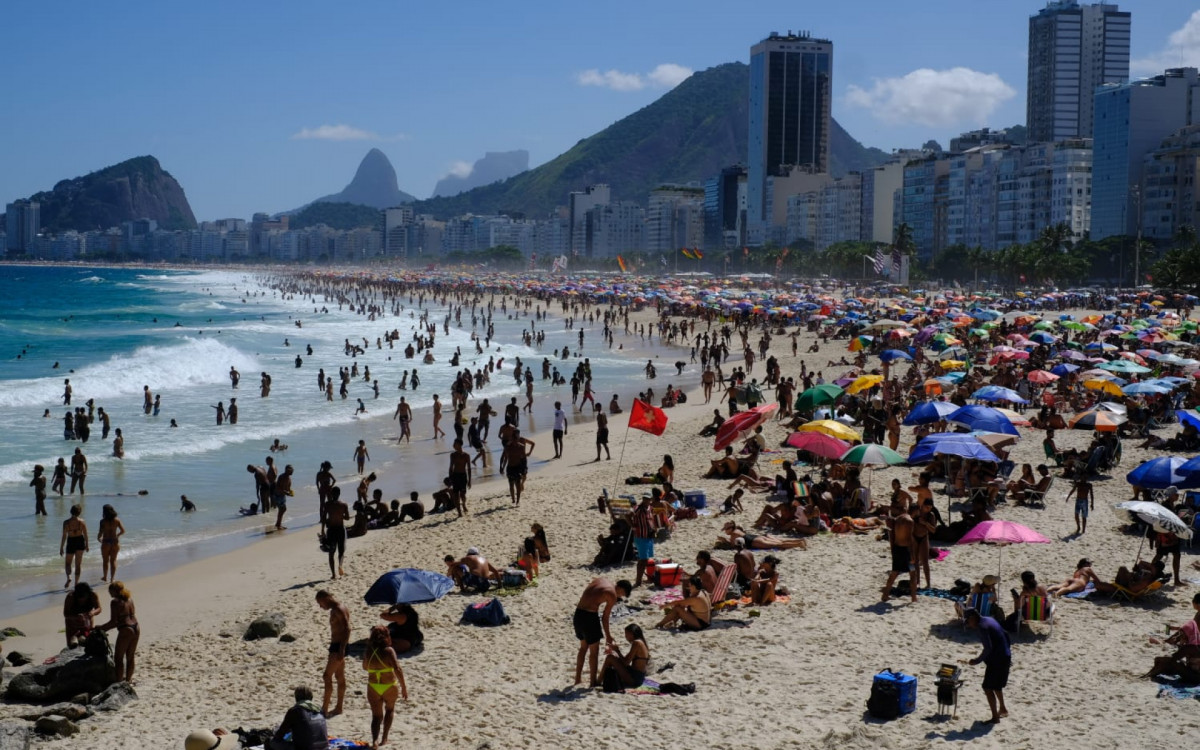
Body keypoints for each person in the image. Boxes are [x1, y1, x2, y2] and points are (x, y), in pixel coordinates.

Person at [574, 577, 632, 687]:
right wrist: (608, 636)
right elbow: (605, 618)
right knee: (594, 652)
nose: (619, 596)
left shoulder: (603, 580)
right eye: (621, 594)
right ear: (620, 588)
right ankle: (592, 682)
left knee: (583, 648)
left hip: (578, 614)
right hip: (589, 617)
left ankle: (577, 679)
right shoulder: (612, 595)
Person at [962, 607, 1011, 724]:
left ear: (973, 618)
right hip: (1005, 656)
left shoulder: (982, 627)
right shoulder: (989, 619)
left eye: (968, 621)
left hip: (998, 660)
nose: (969, 624)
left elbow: (988, 648)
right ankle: (1003, 709)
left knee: (987, 687)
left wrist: (977, 660)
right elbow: (1006, 634)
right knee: (996, 686)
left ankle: (995, 718)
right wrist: (1007, 651)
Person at [363, 625, 407, 748]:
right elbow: (397, 669)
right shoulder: (389, 650)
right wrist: (403, 687)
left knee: (376, 716)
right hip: (389, 686)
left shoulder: (368, 651)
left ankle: (375, 741)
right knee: (390, 710)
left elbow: (365, 667)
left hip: (373, 686)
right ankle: (384, 738)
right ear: (387, 636)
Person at [316, 590, 350, 717]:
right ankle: (338, 707)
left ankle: (324, 709)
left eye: (320, 603)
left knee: (326, 676)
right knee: (339, 676)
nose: (321, 606)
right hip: (338, 645)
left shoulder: (338, 609)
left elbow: (347, 628)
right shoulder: (340, 607)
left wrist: (341, 648)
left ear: (326, 598)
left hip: (338, 646)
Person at [97, 581, 139, 683]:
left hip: (126, 629)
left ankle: (119, 682)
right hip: (136, 627)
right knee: (130, 656)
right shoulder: (130, 599)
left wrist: (100, 628)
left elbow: (114, 622)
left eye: (110, 591)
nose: (109, 593)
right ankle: (128, 680)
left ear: (114, 591)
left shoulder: (115, 602)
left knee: (118, 658)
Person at [270, 685, 328, 750]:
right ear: (311, 697)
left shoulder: (295, 711)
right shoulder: (320, 710)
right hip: (324, 747)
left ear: (296, 698)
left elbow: (279, 735)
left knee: (272, 742)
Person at [881, 507, 916, 603]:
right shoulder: (910, 521)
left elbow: (892, 535)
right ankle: (914, 598)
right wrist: (912, 555)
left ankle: (885, 595)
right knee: (913, 574)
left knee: (894, 573)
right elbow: (909, 539)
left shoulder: (898, 519)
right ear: (916, 512)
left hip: (897, 548)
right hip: (906, 550)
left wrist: (892, 549)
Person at [599, 623, 649, 690]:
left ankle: (598, 681)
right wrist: (616, 652)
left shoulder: (636, 643)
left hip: (635, 678)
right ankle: (602, 680)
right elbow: (625, 660)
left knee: (610, 658)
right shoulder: (641, 642)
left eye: (626, 634)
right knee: (612, 657)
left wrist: (617, 651)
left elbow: (626, 663)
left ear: (632, 633)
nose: (626, 637)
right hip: (638, 676)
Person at [629, 495, 659, 587]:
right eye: (645, 499)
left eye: (648, 499)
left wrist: (654, 528)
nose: (646, 500)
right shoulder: (637, 509)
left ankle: (641, 579)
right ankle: (638, 581)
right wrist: (632, 526)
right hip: (641, 536)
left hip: (648, 536)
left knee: (646, 559)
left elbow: (651, 518)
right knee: (642, 560)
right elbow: (627, 515)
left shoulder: (650, 508)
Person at [499, 429, 534, 506]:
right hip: (510, 467)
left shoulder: (521, 447)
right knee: (511, 485)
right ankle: (513, 499)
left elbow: (523, 457)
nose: (515, 440)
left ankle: (518, 500)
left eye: (516, 438)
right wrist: (501, 467)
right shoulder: (508, 447)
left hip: (518, 467)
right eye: (514, 438)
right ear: (512, 438)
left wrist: (523, 468)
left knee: (518, 484)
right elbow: (503, 457)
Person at [63, 581, 101, 649]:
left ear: (88, 593)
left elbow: (99, 608)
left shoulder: (93, 595)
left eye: (84, 597)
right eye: (79, 598)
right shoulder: (70, 597)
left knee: (87, 643)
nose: (81, 600)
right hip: (72, 623)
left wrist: (93, 612)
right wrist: (75, 617)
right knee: (72, 645)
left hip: (87, 622)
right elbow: (66, 614)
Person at [323, 487, 350, 580]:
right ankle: (340, 566)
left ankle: (333, 574)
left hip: (331, 530)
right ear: (339, 493)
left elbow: (323, 518)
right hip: (340, 529)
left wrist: (322, 530)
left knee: (331, 552)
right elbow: (347, 518)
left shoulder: (327, 504)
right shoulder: (343, 504)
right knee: (341, 551)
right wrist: (340, 515)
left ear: (331, 494)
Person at [61, 504, 88, 589]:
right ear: (79, 512)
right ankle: (76, 584)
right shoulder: (82, 522)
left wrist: (61, 547)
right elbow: (86, 535)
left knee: (68, 563)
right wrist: (87, 545)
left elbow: (64, 536)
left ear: (71, 511)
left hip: (71, 541)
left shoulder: (66, 523)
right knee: (78, 564)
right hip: (80, 541)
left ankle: (69, 577)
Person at [97, 504, 125, 582]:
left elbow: (100, 533)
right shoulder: (117, 520)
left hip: (106, 541)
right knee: (113, 560)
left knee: (105, 561)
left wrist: (99, 538)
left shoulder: (102, 521)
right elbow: (123, 531)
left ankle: (105, 577)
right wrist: (117, 535)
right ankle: (112, 579)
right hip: (115, 541)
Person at [448, 440, 472, 517]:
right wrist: (450, 478)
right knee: (456, 495)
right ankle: (459, 512)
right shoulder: (453, 455)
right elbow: (451, 467)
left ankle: (464, 504)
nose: (453, 446)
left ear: (459, 445)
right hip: (455, 476)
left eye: (455, 444)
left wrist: (469, 480)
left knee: (463, 494)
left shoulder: (466, 455)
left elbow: (469, 468)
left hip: (463, 476)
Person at [273, 464, 294, 531]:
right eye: (290, 470)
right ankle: (278, 525)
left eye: (292, 470)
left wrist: (290, 492)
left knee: (282, 509)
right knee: (282, 509)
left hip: (282, 496)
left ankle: (278, 524)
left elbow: (288, 488)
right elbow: (278, 488)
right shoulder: (282, 477)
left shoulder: (289, 478)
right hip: (278, 495)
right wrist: (286, 492)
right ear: (286, 470)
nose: (292, 471)